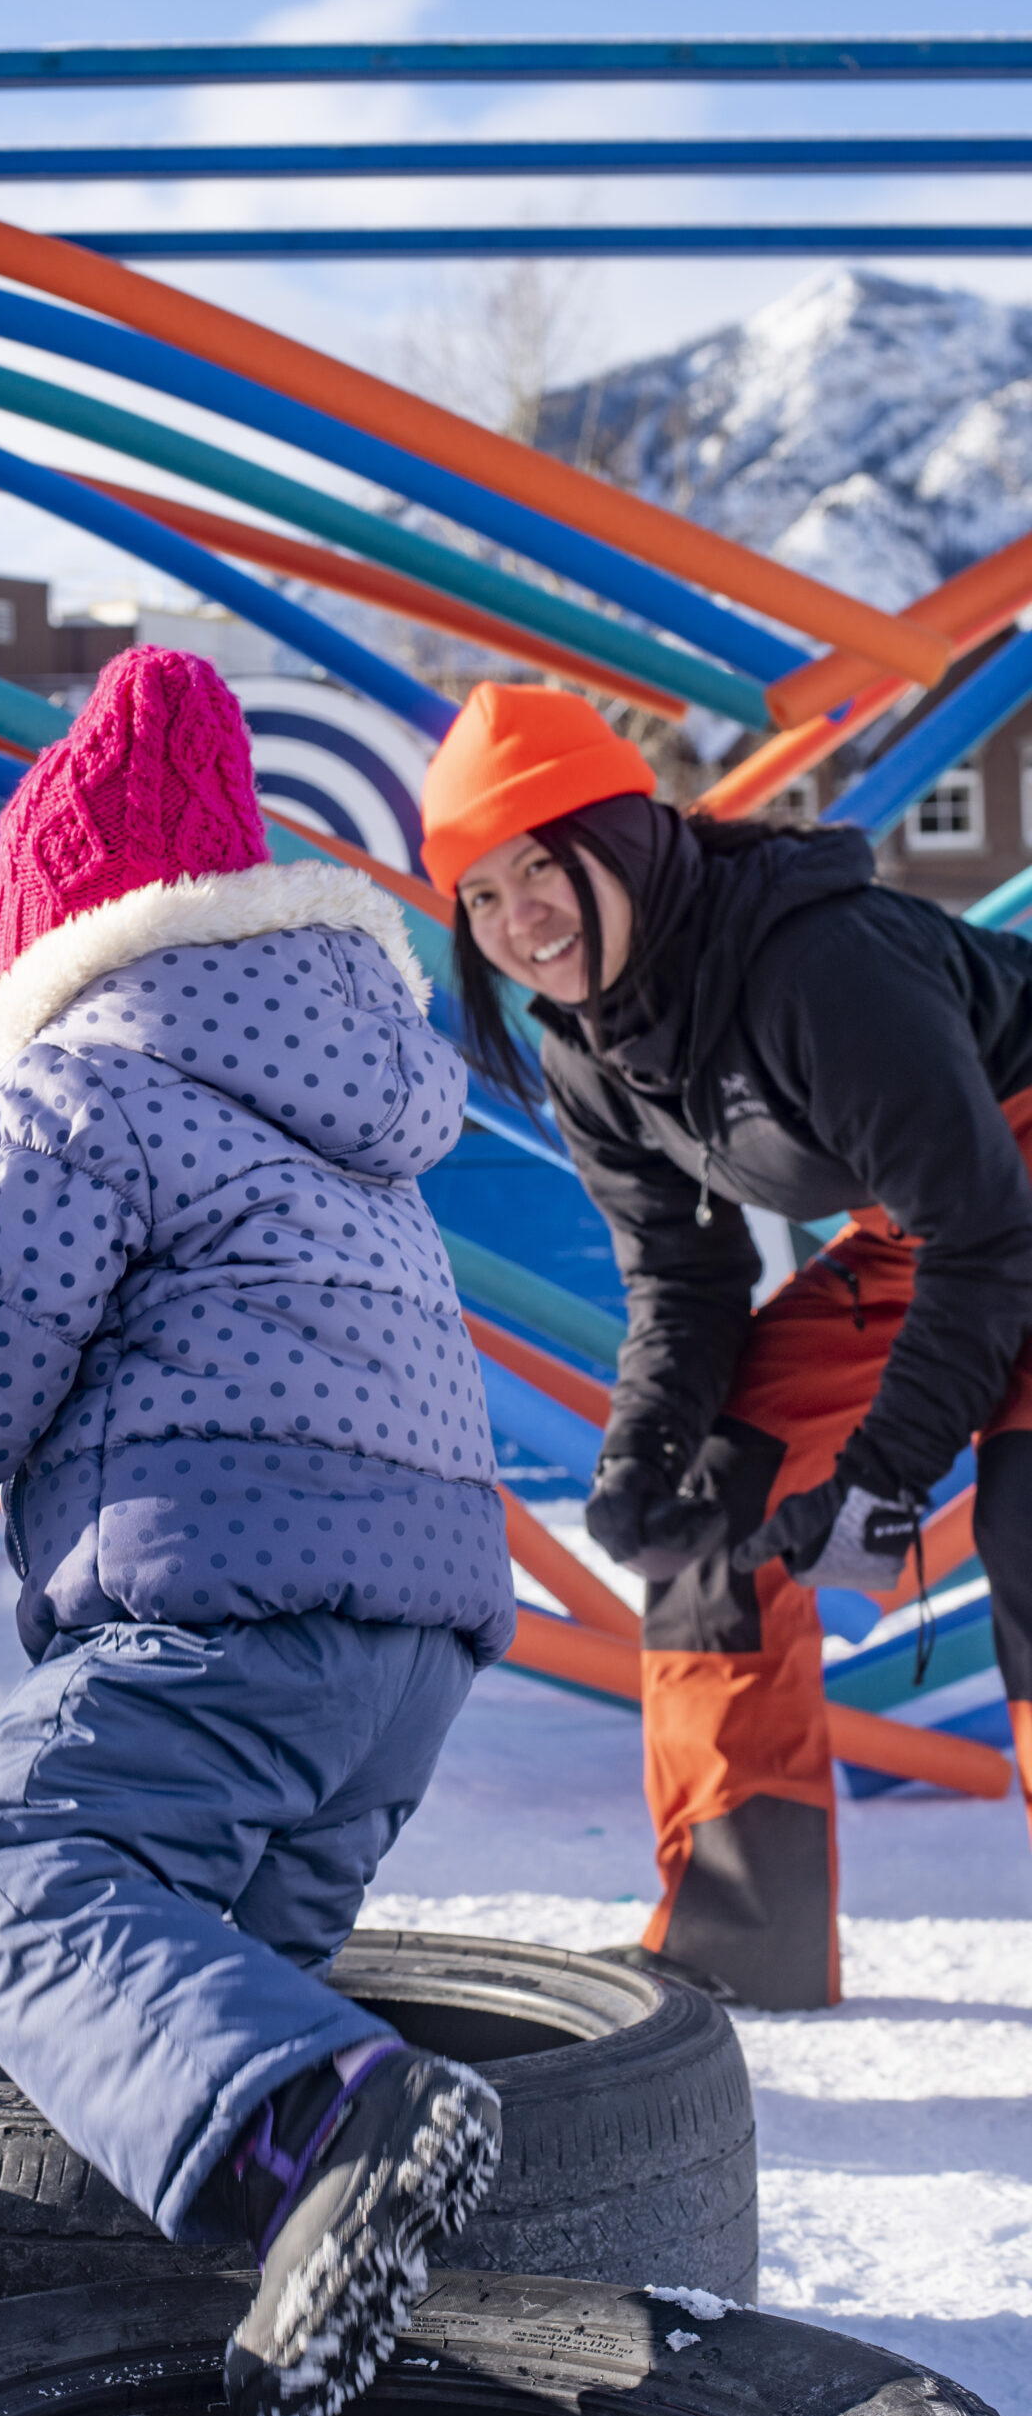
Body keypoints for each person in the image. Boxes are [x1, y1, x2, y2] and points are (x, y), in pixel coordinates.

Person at [0, 649, 511, 2416]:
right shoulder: (358, 1109)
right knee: (200, 2010)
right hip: (414, 1656)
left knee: (13, 1872)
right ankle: (295, 2274)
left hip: (226, 1617)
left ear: (60, 933)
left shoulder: (89, 1079)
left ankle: (340, 2122)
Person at [420, 680, 1032, 2012]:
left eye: (543, 865)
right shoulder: (588, 1048)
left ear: (621, 836)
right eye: (482, 894)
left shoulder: (821, 964)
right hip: (939, 1224)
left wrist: (883, 1476)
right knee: (712, 1508)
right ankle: (740, 1938)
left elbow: (989, 1231)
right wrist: (641, 1449)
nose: (520, 918)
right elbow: (683, 1274)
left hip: (991, 1205)